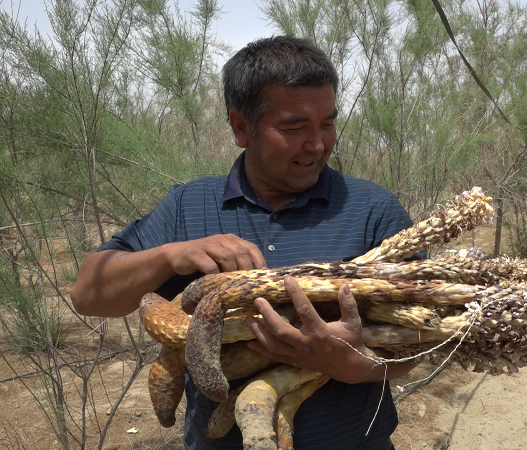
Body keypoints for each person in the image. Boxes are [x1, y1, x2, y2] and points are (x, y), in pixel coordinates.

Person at [70, 36, 417, 450]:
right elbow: (88, 295)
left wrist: (355, 364)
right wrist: (172, 254)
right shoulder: (188, 205)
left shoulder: (374, 209)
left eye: (327, 122)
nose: (318, 143)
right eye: (294, 126)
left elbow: (418, 343)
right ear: (240, 127)